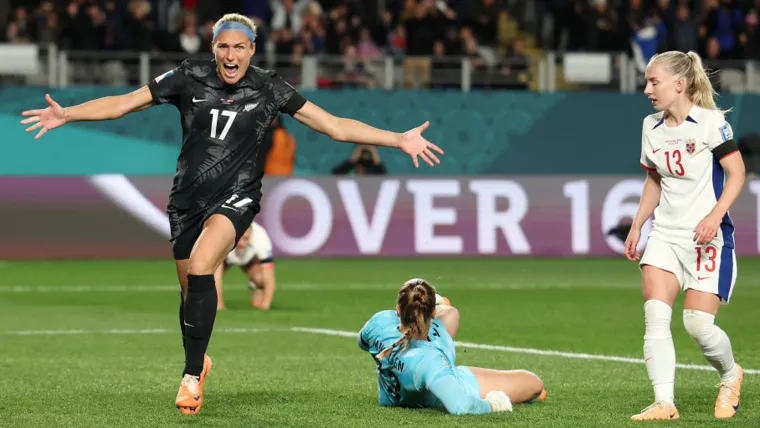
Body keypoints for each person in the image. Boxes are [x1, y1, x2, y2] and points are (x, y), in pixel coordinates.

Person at [19, 13, 443, 416]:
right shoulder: (188, 75)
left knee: (205, 267)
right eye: (223, 46)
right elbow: (127, 103)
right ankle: (197, 360)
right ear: (213, 47)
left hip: (237, 197)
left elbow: (333, 125)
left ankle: (189, 376)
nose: (231, 55)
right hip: (186, 200)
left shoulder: (270, 87)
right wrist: (67, 114)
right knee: (191, 297)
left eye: (239, 47)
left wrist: (397, 139)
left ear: (252, 49)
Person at [626, 50, 746, 421]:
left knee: (697, 325)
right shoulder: (651, 126)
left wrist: (714, 216)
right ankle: (664, 402)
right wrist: (637, 224)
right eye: (647, 81)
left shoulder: (710, 123)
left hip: (707, 238)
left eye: (654, 81)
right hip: (666, 234)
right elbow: (654, 179)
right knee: (656, 316)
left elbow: (737, 173)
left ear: (679, 85)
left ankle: (730, 375)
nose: (647, 89)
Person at [358, 278, 547, 415]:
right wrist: (493, 404)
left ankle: (441, 308)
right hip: (449, 381)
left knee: (451, 313)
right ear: (431, 312)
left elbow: (363, 342)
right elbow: (461, 406)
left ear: (398, 310)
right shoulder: (431, 362)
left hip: (394, 393)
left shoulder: (380, 321)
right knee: (534, 383)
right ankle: (438, 306)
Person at [215, 221, 275, 311]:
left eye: (246, 238)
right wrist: (219, 304)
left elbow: (269, 277)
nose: (241, 243)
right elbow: (216, 277)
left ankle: (255, 286)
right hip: (225, 258)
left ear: (251, 235)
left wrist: (265, 304)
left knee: (261, 278)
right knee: (206, 278)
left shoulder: (261, 238)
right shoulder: (222, 236)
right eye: (239, 238)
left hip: (249, 259)